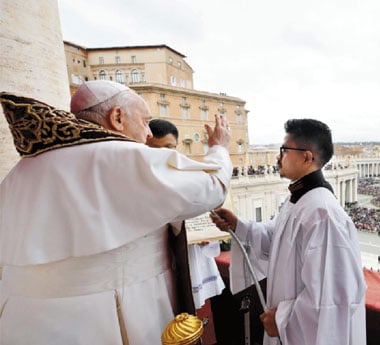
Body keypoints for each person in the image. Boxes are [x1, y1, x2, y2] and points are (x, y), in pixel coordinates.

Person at [0, 80, 232, 345]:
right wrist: (219, 148)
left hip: (22, 319)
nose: (147, 134)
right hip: (102, 317)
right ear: (117, 117)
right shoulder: (121, 155)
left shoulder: (21, 171)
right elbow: (213, 186)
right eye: (145, 121)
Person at [210, 119, 366, 345]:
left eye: (284, 150)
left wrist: (284, 320)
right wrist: (238, 225)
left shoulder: (322, 214)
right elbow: (276, 241)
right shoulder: (298, 201)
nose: (277, 157)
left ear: (306, 157)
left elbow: (331, 295)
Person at [147, 118, 226, 309]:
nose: (163, 155)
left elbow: (208, 203)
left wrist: (208, 236)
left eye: (169, 148)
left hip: (191, 257)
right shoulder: (143, 177)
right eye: (155, 150)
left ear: (177, 145)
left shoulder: (190, 174)